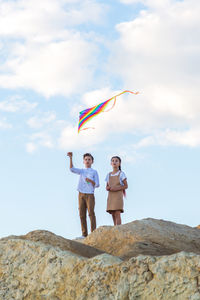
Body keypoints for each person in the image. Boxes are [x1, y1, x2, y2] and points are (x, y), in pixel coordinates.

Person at [67, 152, 100, 238]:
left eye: (89, 159)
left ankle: (93, 233)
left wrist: (91, 181)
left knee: (91, 213)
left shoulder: (94, 172)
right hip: (81, 193)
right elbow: (72, 169)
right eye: (86, 159)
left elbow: (97, 184)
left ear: (92, 161)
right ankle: (84, 234)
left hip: (90, 194)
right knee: (82, 214)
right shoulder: (82, 171)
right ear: (83, 161)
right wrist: (71, 158)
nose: (87, 161)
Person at [105, 156, 128, 225]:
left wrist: (116, 188)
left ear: (119, 163)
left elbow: (126, 186)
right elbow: (106, 186)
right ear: (110, 163)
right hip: (111, 196)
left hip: (118, 196)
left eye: (116, 161)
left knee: (117, 213)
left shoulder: (121, 174)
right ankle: (115, 228)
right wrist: (108, 188)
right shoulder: (108, 175)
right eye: (113, 161)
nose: (114, 162)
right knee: (112, 213)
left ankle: (118, 228)